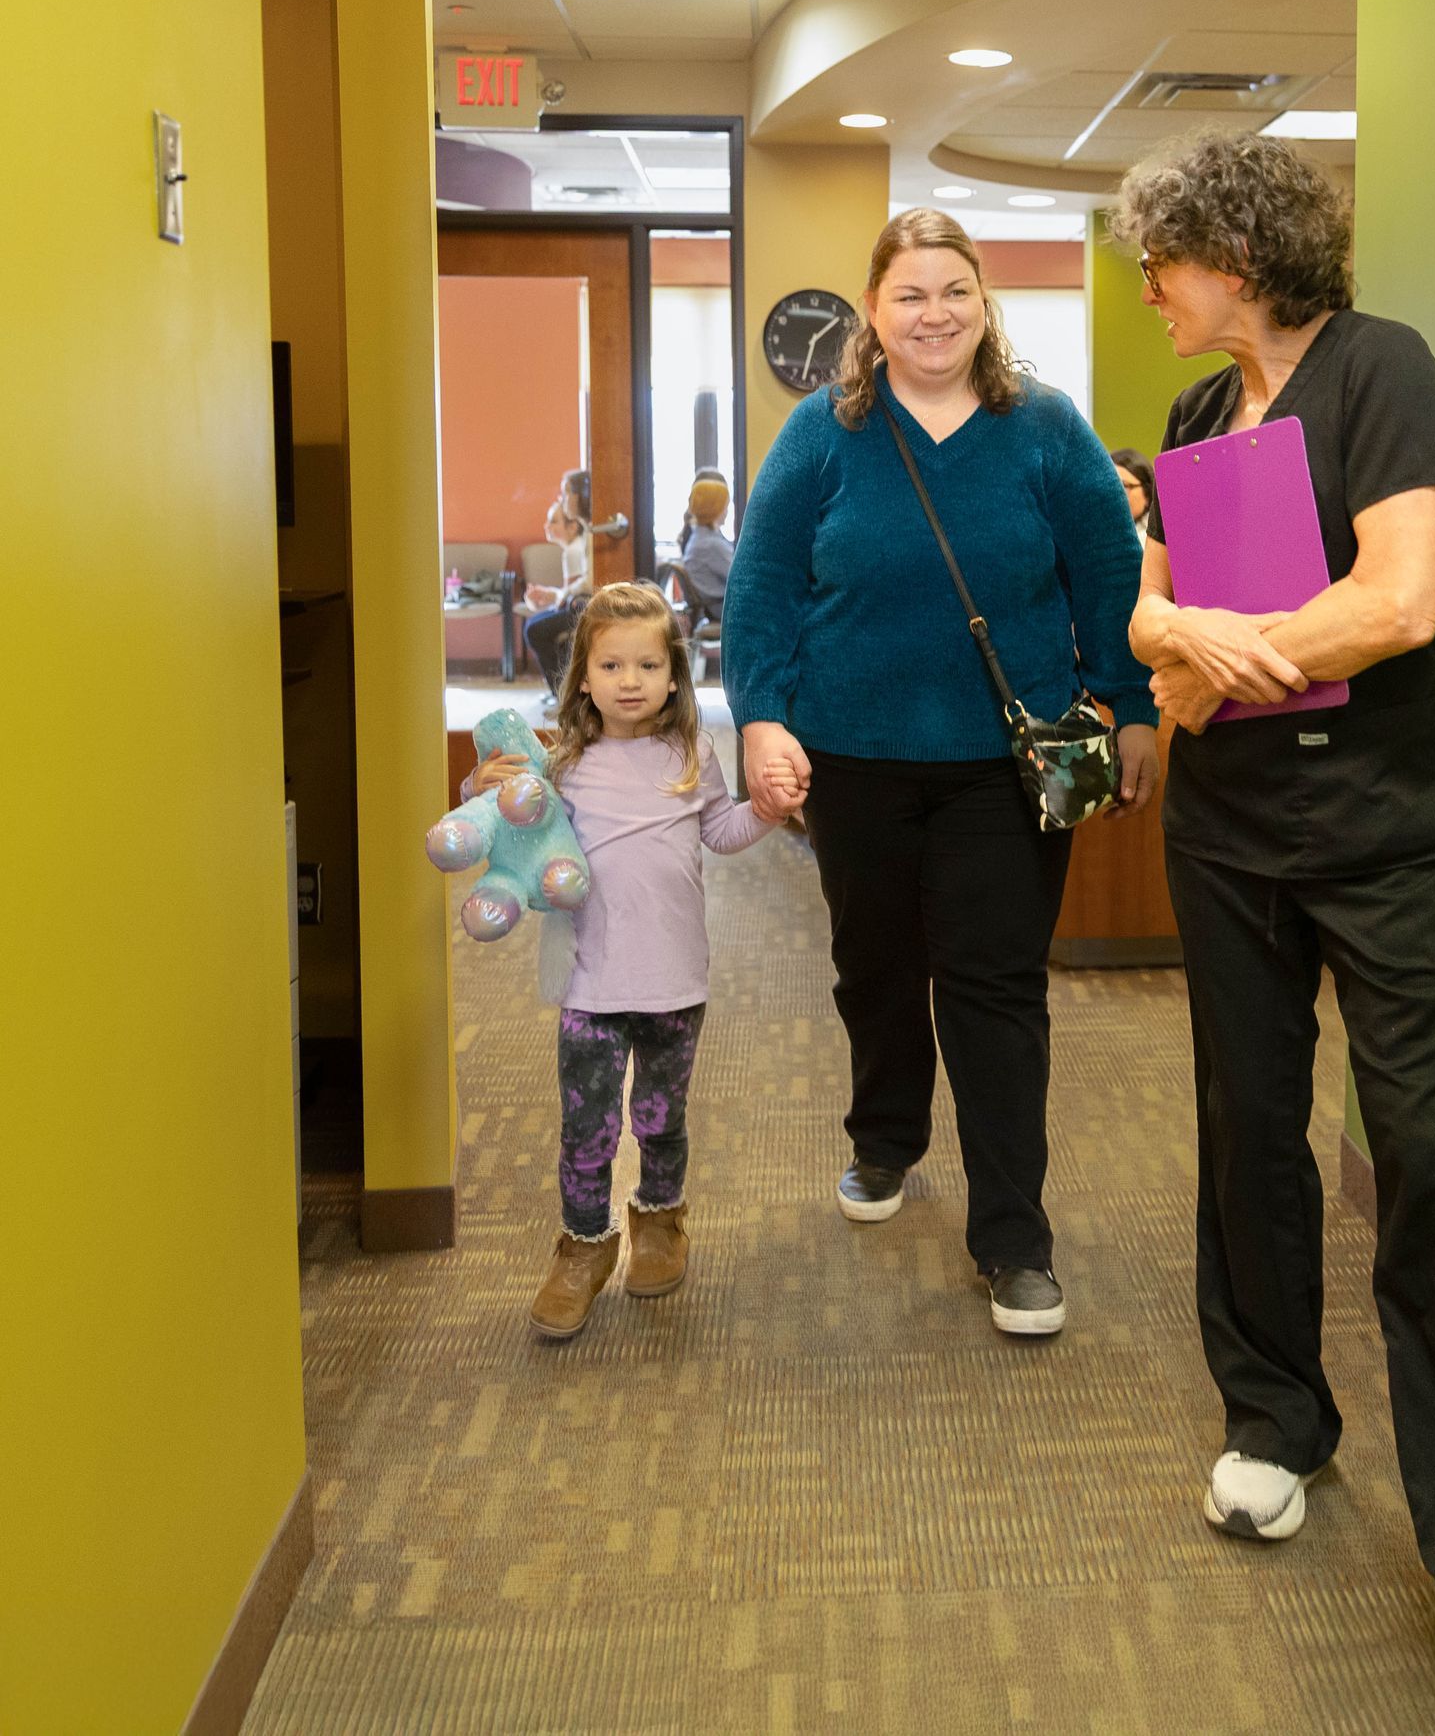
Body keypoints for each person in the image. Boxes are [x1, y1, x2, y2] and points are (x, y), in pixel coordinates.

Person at [1113, 131, 1435, 1712]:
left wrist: (1214, 645)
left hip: (1390, 844)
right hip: (1232, 836)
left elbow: (1400, 601)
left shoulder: (1383, 371)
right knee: (1245, 1128)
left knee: (1426, 1162)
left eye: (1163, 263)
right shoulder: (1199, 408)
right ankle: (1272, 1421)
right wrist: (1186, 635)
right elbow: (1146, 614)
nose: (1150, 290)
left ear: (1237, 262)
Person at [723, 207, 1159, 1338]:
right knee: (874, 963)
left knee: (996, 988)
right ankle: (885, 1135)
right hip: (853, 757)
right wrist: (760, 718)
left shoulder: (1046, 429)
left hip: (1004, 769)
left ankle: (1015, 1237)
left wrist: (1137, 707)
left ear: (984, 304)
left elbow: (1110, 576)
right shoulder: (825, 433)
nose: (934, 314)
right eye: (911, 294)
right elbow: (763, 587)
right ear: (874, 311)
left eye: (954, 292)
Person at [464, 581, 785, 1341]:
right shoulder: (564, 761)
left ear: (675, 675)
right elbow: (510, 822)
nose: (630, 682)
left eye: (646, 666)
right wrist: (480, 784)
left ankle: (659, 1223)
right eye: (612, 667)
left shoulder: (693, 752)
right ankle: (582, 1246)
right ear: (583, 676)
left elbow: (720, 832)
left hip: (675, 979)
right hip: (590, 980)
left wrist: (767, 813)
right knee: (588, 1127)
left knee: (661, 1117)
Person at [524, 467, 593, 699]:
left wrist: (556, 596)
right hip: (581, 600)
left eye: (566, 495)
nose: (563, 501)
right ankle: (561, 690)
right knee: (536, 624)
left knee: (535, 628)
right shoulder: (587, 534)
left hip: (589, 605)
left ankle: (563, 692)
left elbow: (590, 581)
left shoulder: (589, 536)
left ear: (581, 496)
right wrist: (555, 595)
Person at [676, 475, 734, 628]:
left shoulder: (700, 538)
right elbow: (741, 576)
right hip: (722, 609)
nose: (727, 511)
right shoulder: (710, 545)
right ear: (715, 507)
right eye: (725, 505)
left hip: (714, 608)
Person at [1109, 446, 1156, 543]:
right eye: (1109, 486)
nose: (1113, 495)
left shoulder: (1156, 537)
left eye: (1124, 486)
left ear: (1147, 494)